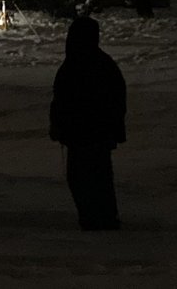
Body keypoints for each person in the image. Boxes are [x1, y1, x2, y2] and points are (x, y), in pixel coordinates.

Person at [50, 16, 126, 230]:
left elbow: (61, 101)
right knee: (96, 176)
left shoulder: (75, 66)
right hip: (93, 133)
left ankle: (96, 217)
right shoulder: (102, 64)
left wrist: (59, 126)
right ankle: (100, 216)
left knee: (85, 177)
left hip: (84, 134)